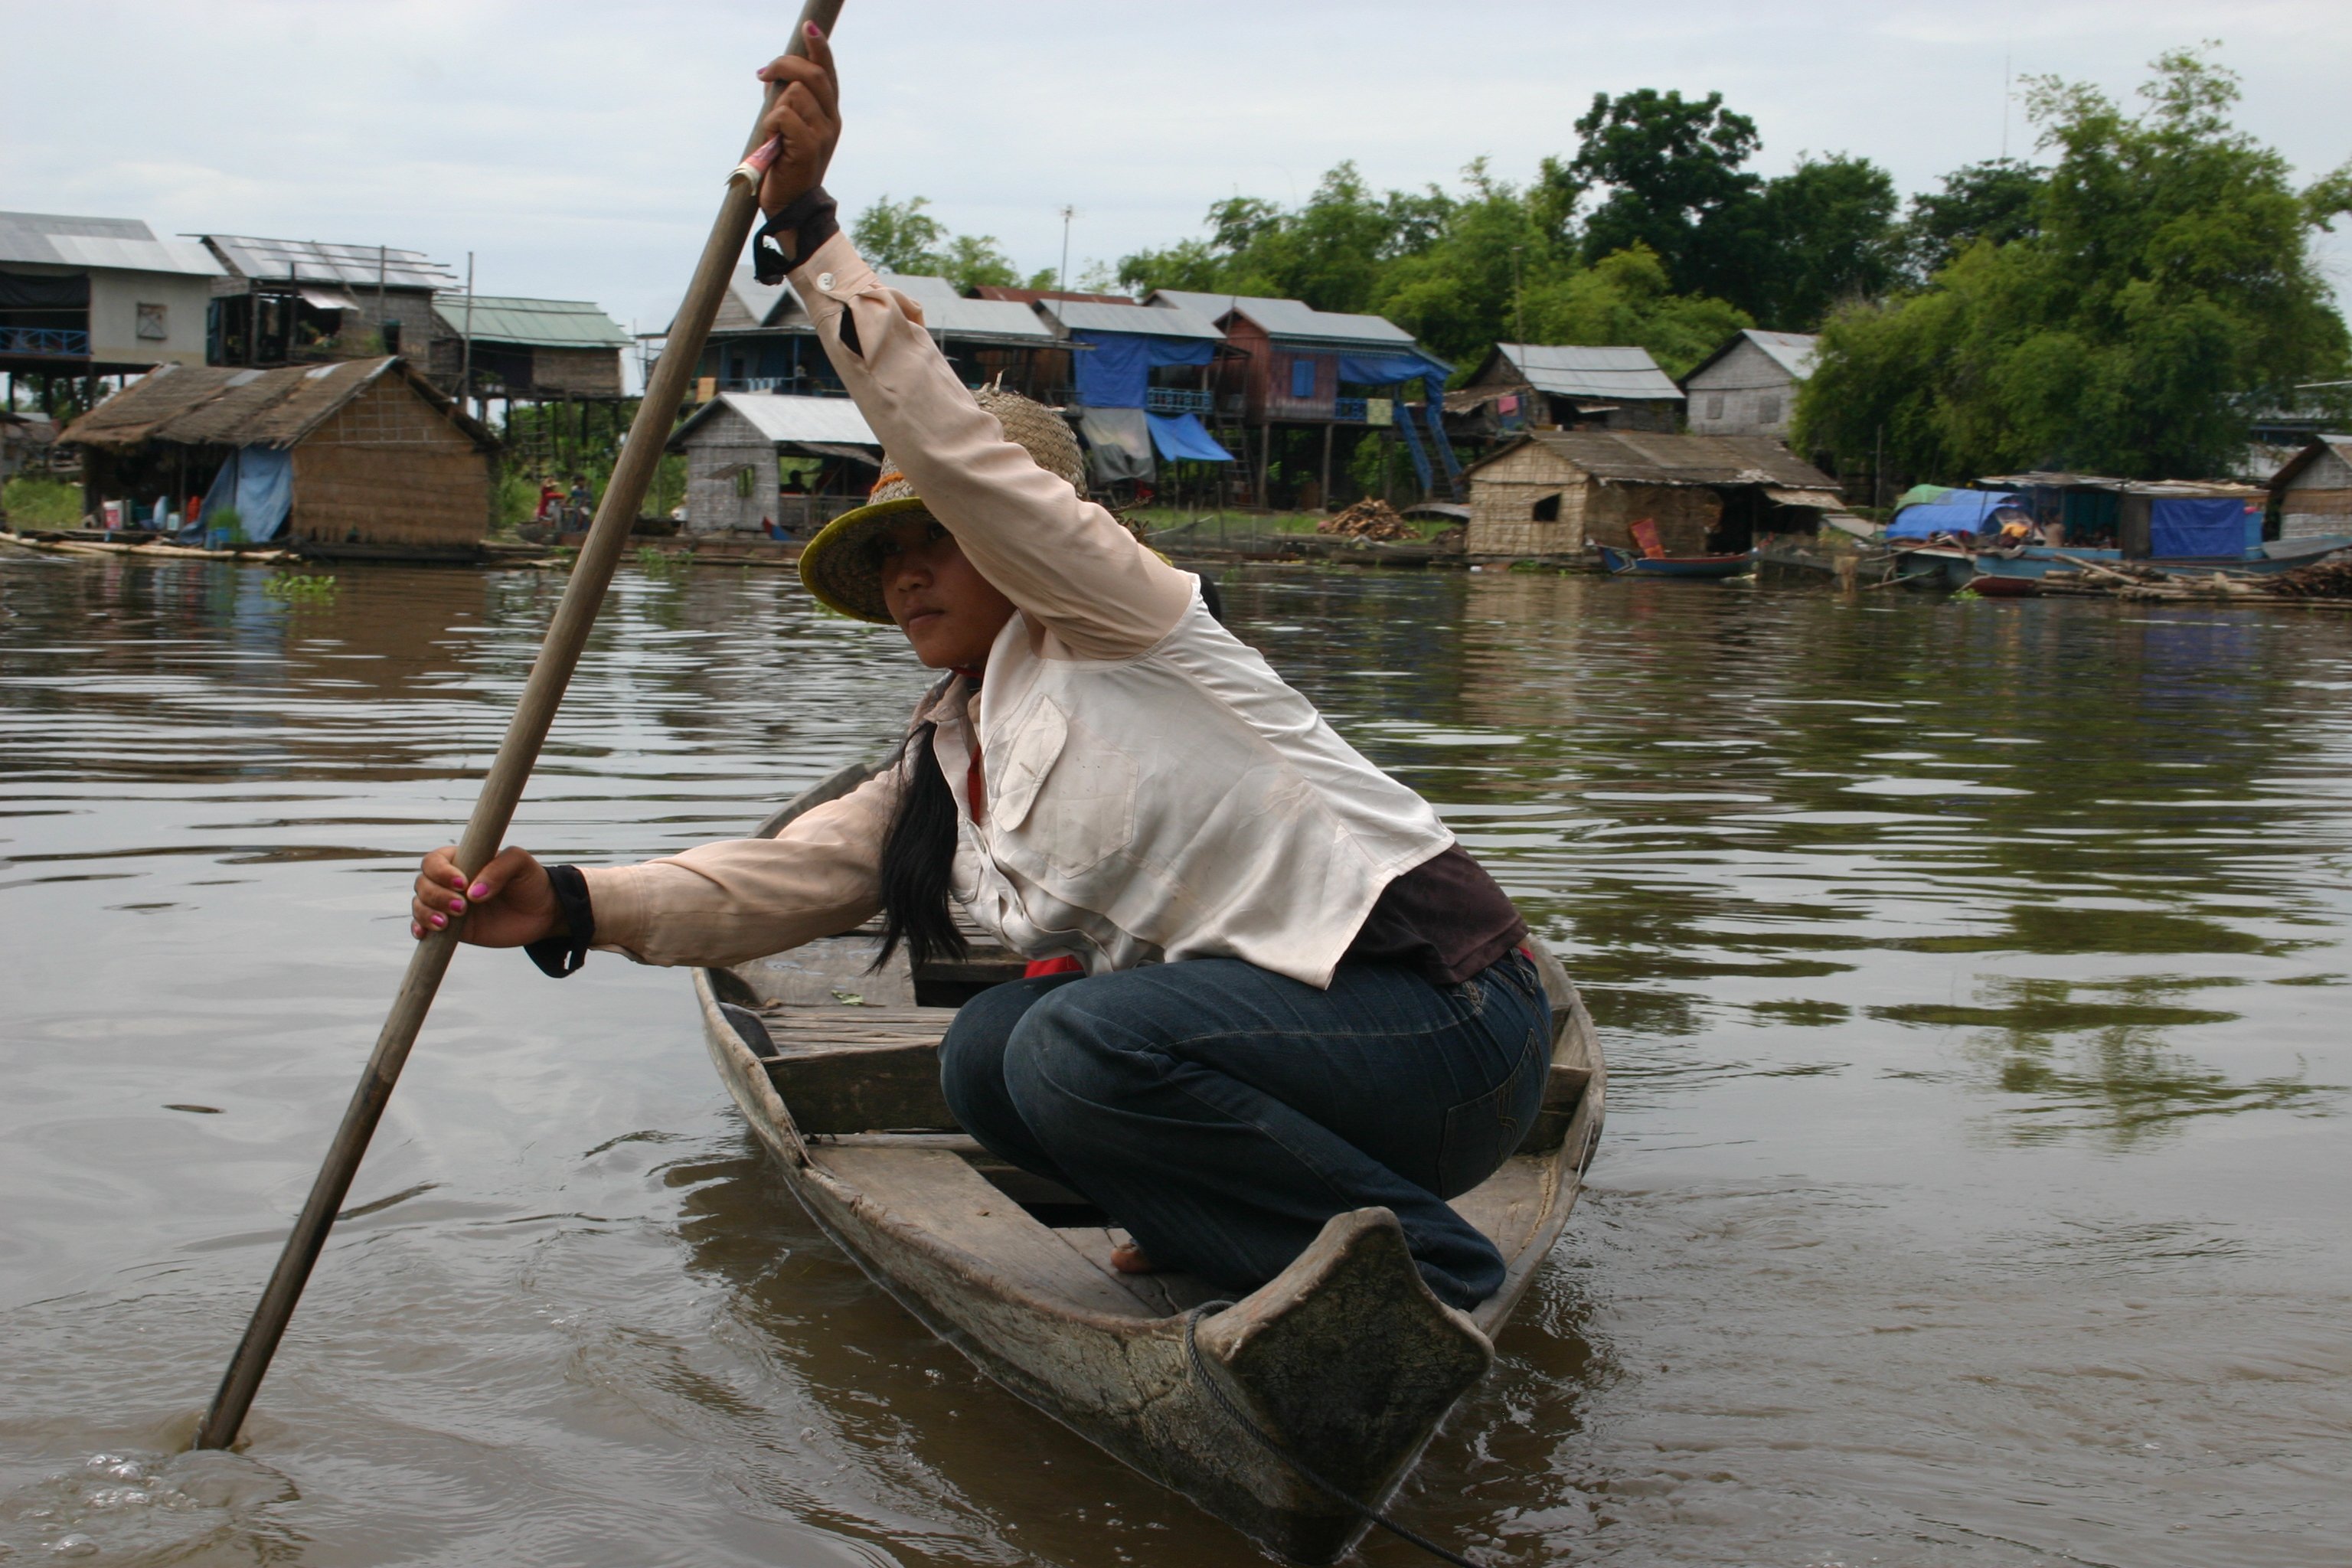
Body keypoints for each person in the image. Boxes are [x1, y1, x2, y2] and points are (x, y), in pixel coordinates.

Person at [407, 24, 1549, 1312]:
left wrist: (809, 230)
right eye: (886, 552)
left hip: (1449, 1037)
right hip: (1299, 1072)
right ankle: (1226, 1233)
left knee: (1066, 1041)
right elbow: (779, 882)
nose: (906, 574)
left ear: (1023, 537)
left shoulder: (1130, 620)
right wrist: (561, 905)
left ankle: (1435, 1278)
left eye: (936, 540)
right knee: (991, 1056)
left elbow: (957, 453)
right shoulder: (953, 749)